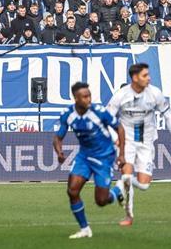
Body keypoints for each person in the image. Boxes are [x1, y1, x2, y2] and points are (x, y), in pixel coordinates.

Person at [105, 63, 171, 226]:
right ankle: (129, 216)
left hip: (147, 142)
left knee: (143, 184)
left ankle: (120, 185)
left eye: (148, 75)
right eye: (145, 75)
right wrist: (115, 138)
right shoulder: (121, 95)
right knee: (127, 172)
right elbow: (106, 119)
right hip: (126, 142)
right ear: (135, 78)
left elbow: (168, 116)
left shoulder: (155, 94)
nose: (148, 78)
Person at [53, 82, 126, 239]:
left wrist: (121, 155)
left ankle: (119, 189)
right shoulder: (68, 115)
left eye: (89, 96)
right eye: (85, 97)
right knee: (72, 191)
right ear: (76, 98)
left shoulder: (99, 112)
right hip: (84, 157)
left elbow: (119, 128)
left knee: (101, 201)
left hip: (104, 157)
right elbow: (58, 137)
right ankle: (85, 229)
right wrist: (59, 152)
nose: (88, 99)